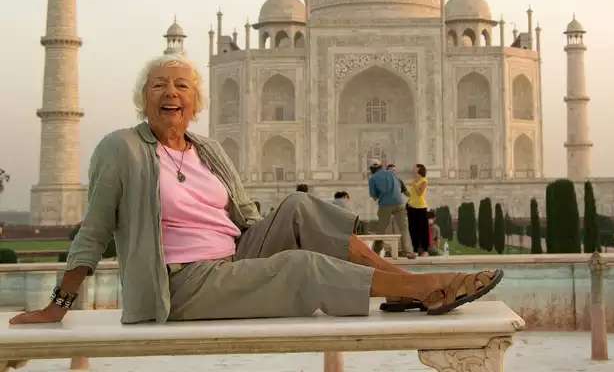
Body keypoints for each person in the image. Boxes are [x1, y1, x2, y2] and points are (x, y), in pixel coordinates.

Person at [9, 54, 502, 326]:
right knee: (301, 266)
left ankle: (403, 289)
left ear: (196, 102)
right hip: (180, 283)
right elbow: (94, 230)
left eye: (181, 85)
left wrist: (286, 229)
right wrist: (61, 303)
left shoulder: (207, 149)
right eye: (159, 85)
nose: (171, 93)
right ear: (143, 98)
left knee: (300, 206)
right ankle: (428, 287)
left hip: (234, 256)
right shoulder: (121, 149)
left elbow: (246, 214)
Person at [367, 159, 416, 259]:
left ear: (371, 168)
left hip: (386, 204)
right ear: (381, 166)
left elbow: (374, 195)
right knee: (404, 228)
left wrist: (380, 196)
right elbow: (399, 186)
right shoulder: (391, 174)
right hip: (399, 203)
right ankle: (409, 252)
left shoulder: (372, 178)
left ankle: (376, 252)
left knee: (381, 229)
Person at [407, 164, 430, 256]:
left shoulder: (424, 181)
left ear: (420, 170)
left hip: (421, 208)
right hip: (411, 207)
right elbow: (412, 194)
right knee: (413, 230)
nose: (413, 169)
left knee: (423, 229)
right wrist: (408, 203)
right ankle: (415, 250)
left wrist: (414, 185)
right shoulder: (415, 181)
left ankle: (425, 250)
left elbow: (420, 193)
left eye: (415, 168)